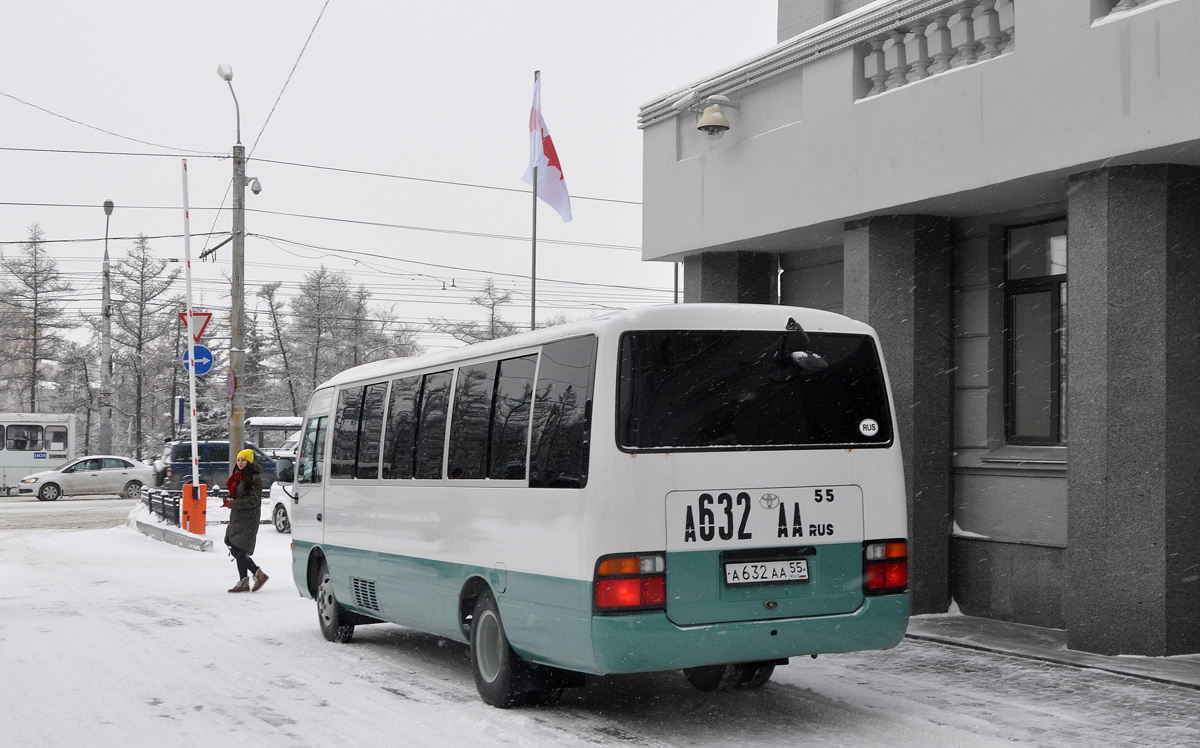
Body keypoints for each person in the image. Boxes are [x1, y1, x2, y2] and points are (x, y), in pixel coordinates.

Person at [224, 448, 268, 593]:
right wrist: (230, 500)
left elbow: (254, 500)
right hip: (238, 515)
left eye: (244, 460)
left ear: (249, 461)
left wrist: (234, 503)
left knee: (236, 545)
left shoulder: (254, 478)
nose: (241, 463)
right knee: (234, 543)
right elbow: (239, 495)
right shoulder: (238, 476)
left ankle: (257, 574)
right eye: (239, 460)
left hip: (248, 517)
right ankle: (244, 581)